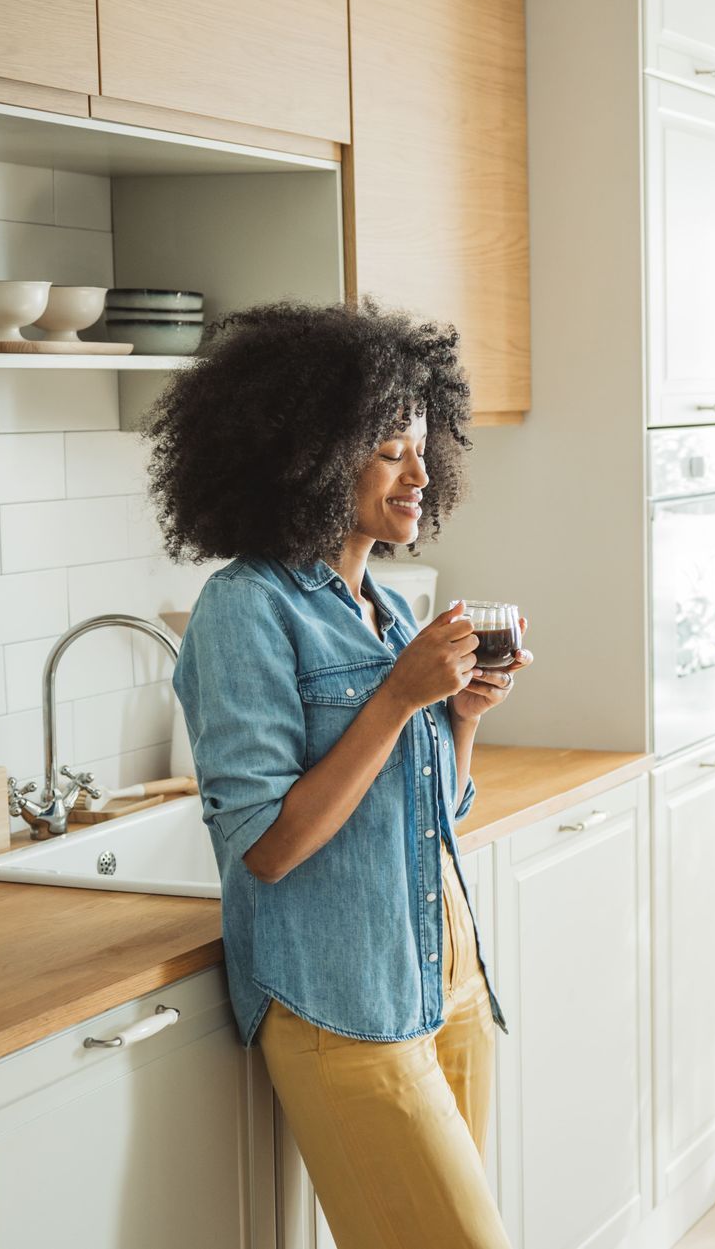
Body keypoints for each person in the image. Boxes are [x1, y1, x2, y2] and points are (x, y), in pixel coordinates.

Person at [147, 300, 526, 1247]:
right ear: (309, 454)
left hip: (447, 979)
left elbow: (431, 810)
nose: (419, 469)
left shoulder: (390, 608)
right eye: (388, 446)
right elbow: (267, 849)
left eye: (421, 445)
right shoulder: (244, 609)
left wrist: (463, 720)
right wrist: (398, 700)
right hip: (343, 1002)